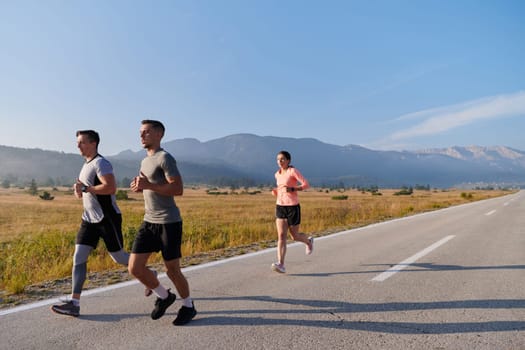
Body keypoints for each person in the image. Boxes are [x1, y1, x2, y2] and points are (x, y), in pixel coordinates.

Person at [51, 130, 131, 317]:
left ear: (93, 143)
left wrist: (86, 188)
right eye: (77, 142)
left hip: (106, 219)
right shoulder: (86, 164)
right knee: (78, 257)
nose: (78, 146)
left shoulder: (101, 163)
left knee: (119, 258)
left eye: (82, 142)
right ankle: (74, 303)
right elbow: (86, 189)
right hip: (88, 219)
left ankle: (147, 273)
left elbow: (110, 187)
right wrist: (79, 190)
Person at [128, 119, 197, 326]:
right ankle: (164, 296)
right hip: (149, 221)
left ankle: (188, 306)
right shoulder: (144, 161)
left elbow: (178, 189)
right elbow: (152, 186)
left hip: (169, 222)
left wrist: (149, 184)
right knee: (135, 268)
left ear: (159, 134)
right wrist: (141, 186)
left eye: (146, 132)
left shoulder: (165, 158)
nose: (141, 135)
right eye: (140, 132)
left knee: (172, 270)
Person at [271, 150, 313, 273]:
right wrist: (276, 192)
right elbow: (281, 188)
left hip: (293, 207)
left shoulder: (292, 171)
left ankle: (308, 241)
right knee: (281, 236)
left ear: (288, 160)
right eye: (278, 159)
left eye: (282, 159)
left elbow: (306, 184)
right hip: (280, 206)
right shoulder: (277, 174)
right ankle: (281, 264)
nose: (280, 161)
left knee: (294, 236)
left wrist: (293, 188)